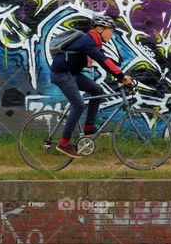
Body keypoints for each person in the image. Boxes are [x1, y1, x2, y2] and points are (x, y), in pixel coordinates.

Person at [50, 15, 133, 157]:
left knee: (97, 90)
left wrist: (119, 74)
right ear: (99, 29)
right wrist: (121, 76)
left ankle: (88, 128)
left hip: (72, 74)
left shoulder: (92, 42)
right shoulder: (87, 41)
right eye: (110, 31)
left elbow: (105, 60)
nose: (111, 34)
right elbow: (103, 60)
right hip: (62, 74)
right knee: (78, 105)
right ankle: (64, 143)